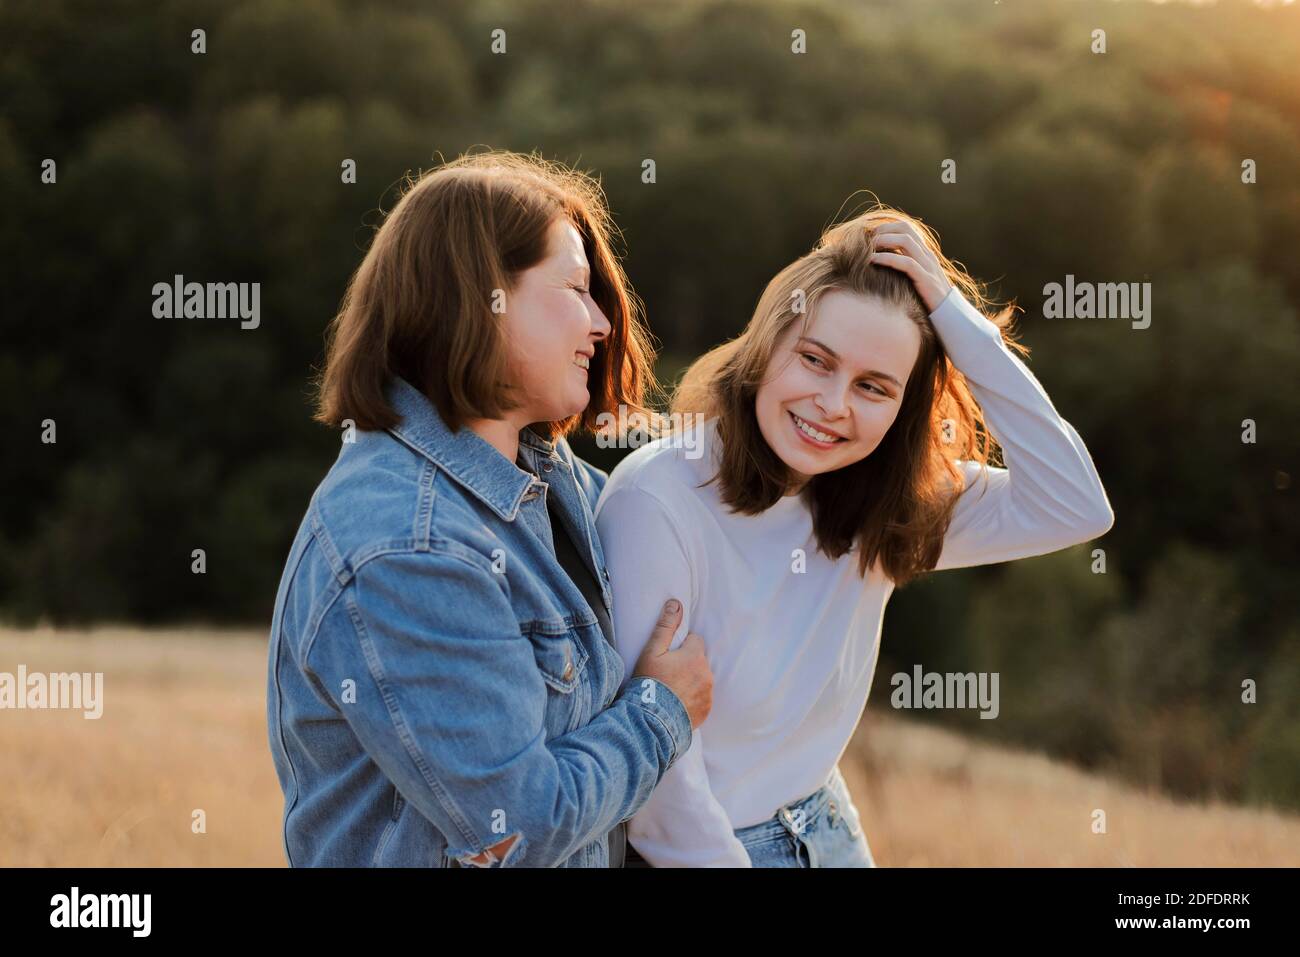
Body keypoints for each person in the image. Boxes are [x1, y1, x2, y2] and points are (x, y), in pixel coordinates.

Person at [595, 209, 1114, 867]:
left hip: (830, 829)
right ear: (766, 347)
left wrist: (955, 319)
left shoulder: (885, 504)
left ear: (901, 410)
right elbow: (664, 795)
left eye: (874, 386)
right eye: (815, 360)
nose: (833, 403)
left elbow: (1075, 504)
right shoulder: (657, 499)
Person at [266, 150, 714, 867]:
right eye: (575, 287)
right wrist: (661, 712)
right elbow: (522, 824)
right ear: (481, 299)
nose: (602, 323)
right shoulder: (409, 545)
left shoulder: (545, 474)